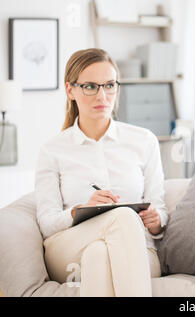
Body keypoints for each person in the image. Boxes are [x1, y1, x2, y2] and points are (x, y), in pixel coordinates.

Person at [35, 48, 168, 297]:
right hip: (67, 248)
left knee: (98, 254)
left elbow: (159, 208)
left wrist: (157, 220)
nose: (102, 95)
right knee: (121, 217)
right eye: (90, 86)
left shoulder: (144, 141)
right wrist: (78, 211)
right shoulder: (52, 150)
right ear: (70, 90)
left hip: (138, 251)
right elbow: (47, 224)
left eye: (109, 85)